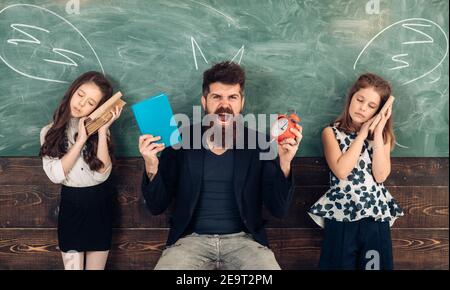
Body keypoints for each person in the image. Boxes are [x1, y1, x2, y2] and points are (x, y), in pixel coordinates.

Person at [139, 61, 302, 269]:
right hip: (190, 243)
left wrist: (285, 163)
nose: (224, 105)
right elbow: (156, 206)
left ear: (241, 102)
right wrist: (151, 164)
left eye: (232, 97)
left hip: (245, 243)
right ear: (204, 101)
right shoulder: (179, 140)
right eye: (216, 97)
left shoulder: (261, 144)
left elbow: (278, 209)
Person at [308, 73, 404, 270]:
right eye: (360, 100)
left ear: (379, 111)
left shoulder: (381, 138)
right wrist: (361, 134)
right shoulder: (331, 133)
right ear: (351, 97)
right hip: (341, 215)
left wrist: (377, 133)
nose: (362, 108)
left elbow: (380, 175)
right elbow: (342, 170)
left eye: (371, 106)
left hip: (375, 217)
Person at [39, 71, 122, 270]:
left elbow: (102, 174)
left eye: (91, 103)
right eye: (80, 94)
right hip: (72, 205)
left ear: (98, 108)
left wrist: (101, 130)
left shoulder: (101, 132)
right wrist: (80, 140)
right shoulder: (48, 132)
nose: (82, 103)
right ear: (72, 91)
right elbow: (56, 175)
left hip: (99, 205)